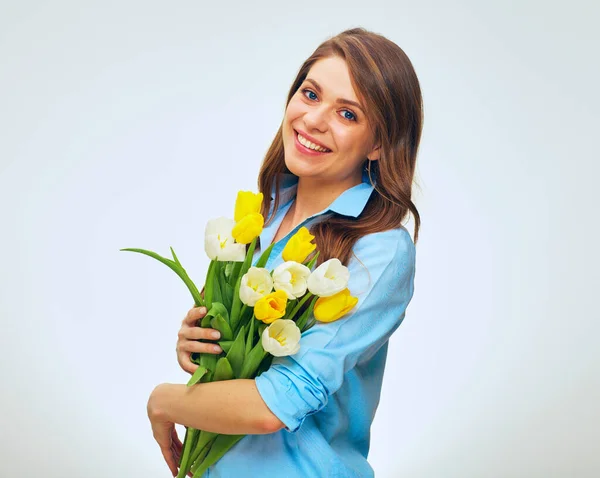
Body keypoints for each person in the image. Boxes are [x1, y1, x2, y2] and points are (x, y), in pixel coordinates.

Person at [147, 27, 423, 477]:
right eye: (310, 94)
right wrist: (201, 344)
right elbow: (244, 361)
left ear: (378, 144)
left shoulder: (381, 248)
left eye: (348, 114)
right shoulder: (262, 218)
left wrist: (163, 402)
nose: (314, 120)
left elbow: (278, 403)